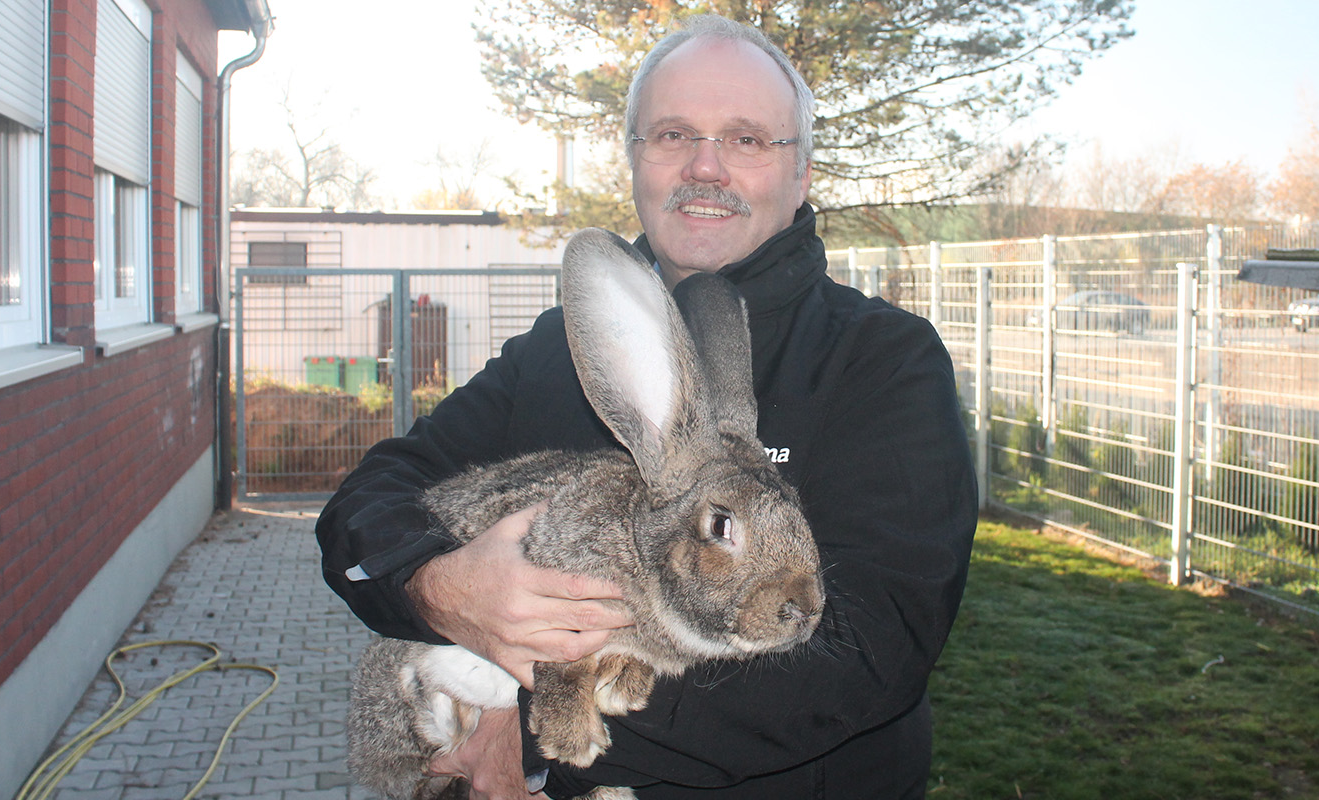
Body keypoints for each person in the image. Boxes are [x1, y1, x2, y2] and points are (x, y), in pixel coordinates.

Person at [317, 14, 977, 799]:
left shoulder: (883, 359)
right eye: (672, 135)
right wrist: (440, 588)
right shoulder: (557, 347)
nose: (705, 166)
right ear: (635, 159)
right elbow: (371, 500)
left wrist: (527, 735)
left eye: (746, 139)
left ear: (801, 172)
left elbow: (866, 653)